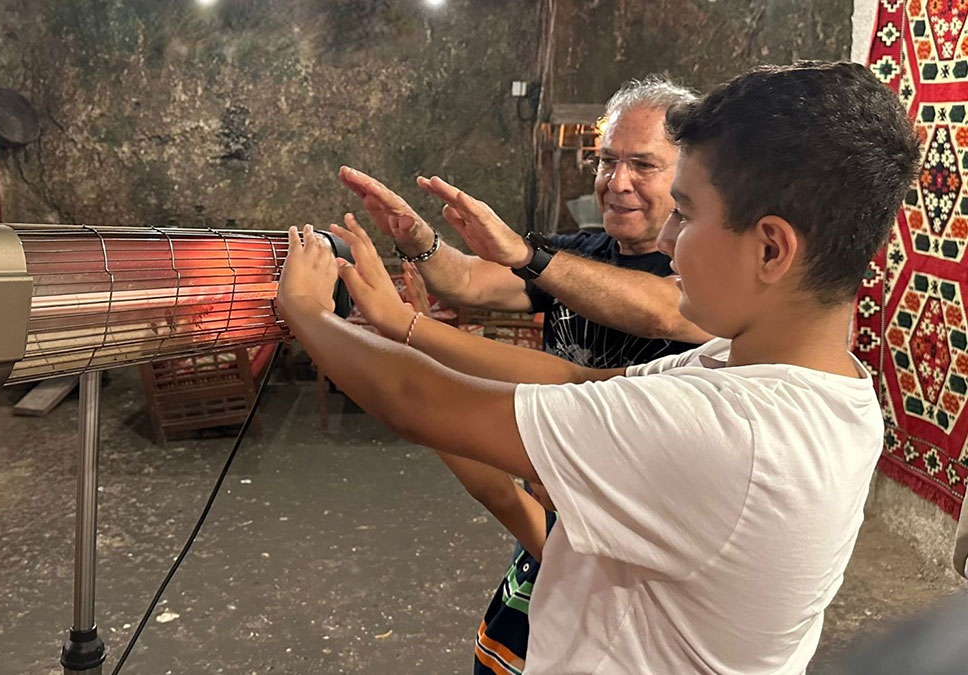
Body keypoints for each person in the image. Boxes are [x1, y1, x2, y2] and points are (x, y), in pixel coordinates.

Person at [276, 60, 919, 673]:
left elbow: (422, 404)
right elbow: (574, 380)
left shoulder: (730, 433)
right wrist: (404, 325)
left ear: (771, 249)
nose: (668, 238)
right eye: (608, 162)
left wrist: (310, 317)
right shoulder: (799, 382)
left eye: (686, 213)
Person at [341, 76, 707, 673]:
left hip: (633, 539)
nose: (617, 183)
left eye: (643, 164)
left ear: (691, 174)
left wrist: (412, 330)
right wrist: (420, 240)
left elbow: (662, 310)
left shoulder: (708, 276)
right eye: (607, 161)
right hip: (550, 506)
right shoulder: (582, 250)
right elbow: (468, 280)